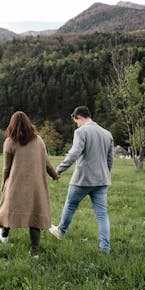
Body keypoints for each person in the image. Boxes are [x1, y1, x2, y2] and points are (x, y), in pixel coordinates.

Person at [0, 111, 59, 258]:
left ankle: (4, 235)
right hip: (35, 185)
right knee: (35, 215)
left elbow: (6, 168)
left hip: (15, 184)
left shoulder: (9, 142)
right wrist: (54, 175)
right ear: (29, 124)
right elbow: (46, 162)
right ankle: (34, 252)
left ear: (12, 125)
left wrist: (4, 183)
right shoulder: (39, 140)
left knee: (9, 209)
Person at [49, 106, 114, 254]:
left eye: (76, 121)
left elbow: (74, 154)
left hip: (83, 180)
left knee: (71, 204)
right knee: (102, 215)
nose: (76, 124)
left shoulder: (81, 132)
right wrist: (105, 174)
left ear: (78, 117)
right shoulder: (107, 134)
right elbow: (110, 160)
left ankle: (61, 231)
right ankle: (105, 248)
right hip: (102, 181)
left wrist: (58, 170)